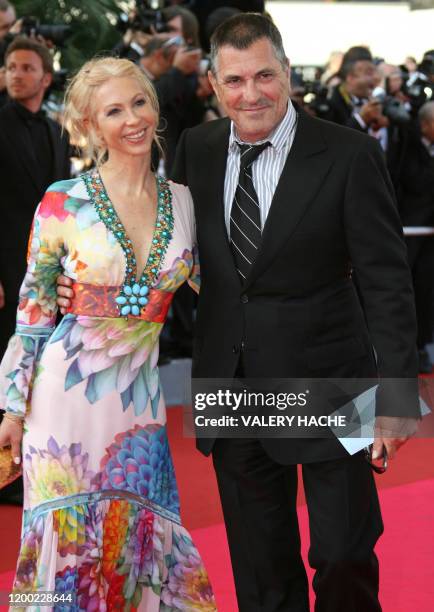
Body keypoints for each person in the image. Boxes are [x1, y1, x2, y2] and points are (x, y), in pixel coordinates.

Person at [56, 14, 420, 612]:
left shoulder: (348, 154)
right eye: (234, 81)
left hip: (333, 379)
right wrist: (85, 288)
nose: (250, 94)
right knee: (259, 565)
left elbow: (388, 280)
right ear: (215, 85)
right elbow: (164, 249)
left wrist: (398, 397)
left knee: (345, 553)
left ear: (287, 74)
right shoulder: (196, 150)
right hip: (232, 382)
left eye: (264, 76)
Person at [0, 56, 215, 610]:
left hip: (138, 406)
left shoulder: (185, 203)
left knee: (140, 545)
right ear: (91, 127)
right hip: (62, 403)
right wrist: (12, 408)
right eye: (113, 111)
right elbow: (33, 308)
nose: (133, 120)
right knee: (63, 547)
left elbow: (224, 293)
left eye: (139, 102)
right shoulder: (62, 200)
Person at [398, 101, 434, 373]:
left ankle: (425, 343)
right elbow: (414, 182)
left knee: (427, 289)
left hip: (429, 235)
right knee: (409, 290)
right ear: (424, 125)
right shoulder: (406, 146)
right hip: (410, 234)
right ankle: (411, 346)